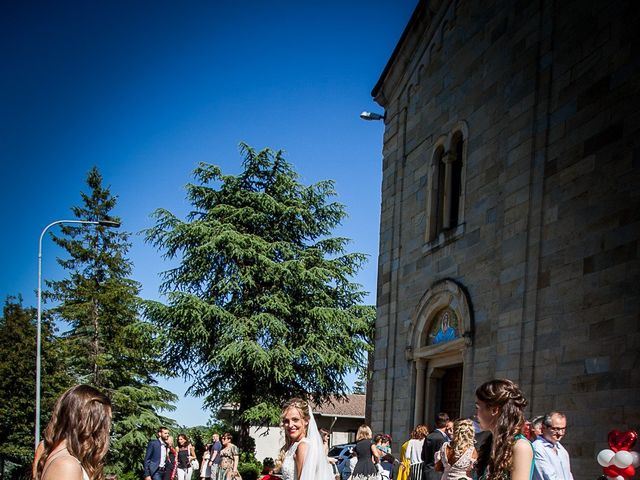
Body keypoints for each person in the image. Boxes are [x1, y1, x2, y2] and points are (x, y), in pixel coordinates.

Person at [34, 384, 112, 480]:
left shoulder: (58, 456)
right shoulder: (67, 465)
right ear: (91, 424)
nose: (108, 430)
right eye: (106, 423)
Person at [475, 379, 534, 480]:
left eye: (477, 407)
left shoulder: (520, 446)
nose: (476, 414)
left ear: (494, 410)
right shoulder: (490, 443)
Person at [278, 397, 333, 480]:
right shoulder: (295, 445)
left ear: (306, 421)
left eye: (295, 420)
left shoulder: (302, 446)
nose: (290, 425)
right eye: (286, 421)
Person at [532, 412, 574, 480]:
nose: (560, 433)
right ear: (544, 427)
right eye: (556, 429)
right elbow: (548, 477)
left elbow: (569, 476)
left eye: (563, 429)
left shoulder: (561, 449)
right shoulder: (538, 448)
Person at [421, 412, 450, 480]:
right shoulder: (443, 439)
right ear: (446, 423)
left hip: (427, 472)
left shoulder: (429, 436)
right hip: (439, 473)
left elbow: (423, 456)